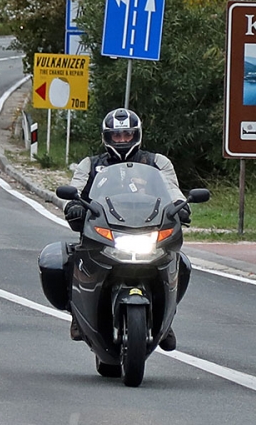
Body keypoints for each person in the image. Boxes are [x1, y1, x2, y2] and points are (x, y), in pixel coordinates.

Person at [63, 108, 188, 350]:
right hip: (103, 232)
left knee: (179, 262)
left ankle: (167, 317)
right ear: (106, 137)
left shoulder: (157, 162)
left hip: (148, 229)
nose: (122, 140)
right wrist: (73, 205)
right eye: (116, 136)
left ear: (136, 135)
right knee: (68, 260)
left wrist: (181, 206)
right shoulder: (90, 164)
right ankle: (77, 315)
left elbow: (172, 189)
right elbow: (74, 189)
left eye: (127, 135)